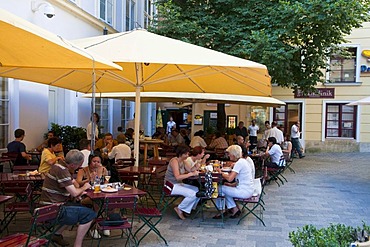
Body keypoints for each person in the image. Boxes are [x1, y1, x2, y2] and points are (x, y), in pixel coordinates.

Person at [39, 150, 95, 247]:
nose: (79, 167)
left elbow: (74, 184)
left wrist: (79, 190)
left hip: (48, 207)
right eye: (79, 165)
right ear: (73, 165)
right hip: (53, 210)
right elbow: (74, 193)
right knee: (90, 214)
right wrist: (84, 188)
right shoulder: (62, 170)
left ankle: (56, 234)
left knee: (78, 206)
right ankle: (78, 245)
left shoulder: (58, 166)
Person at [213, 145, 254, 219]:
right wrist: (231, 185)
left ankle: (222, 210)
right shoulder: (243, 161)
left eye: (229, 153)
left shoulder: (239, 163)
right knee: (225, 189)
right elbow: (242, 179)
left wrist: (220, 173)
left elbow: (230, 178)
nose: (228, 155)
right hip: (248, 189)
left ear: (233, 154)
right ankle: (233, 209)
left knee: (219, 189)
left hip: (244, 191)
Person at [164, 145, 200, 220]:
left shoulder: (183, 161)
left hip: (178, 184)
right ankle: (180, 208)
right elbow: (177, 177)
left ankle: (187, 209)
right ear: (181, 154)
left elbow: (190, 170)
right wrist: (190, 174)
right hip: (170, 185)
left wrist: (195, 167)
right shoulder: (174, 161)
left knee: (197, 190)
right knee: (192, 194)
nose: (187, 155)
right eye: (186, 154)